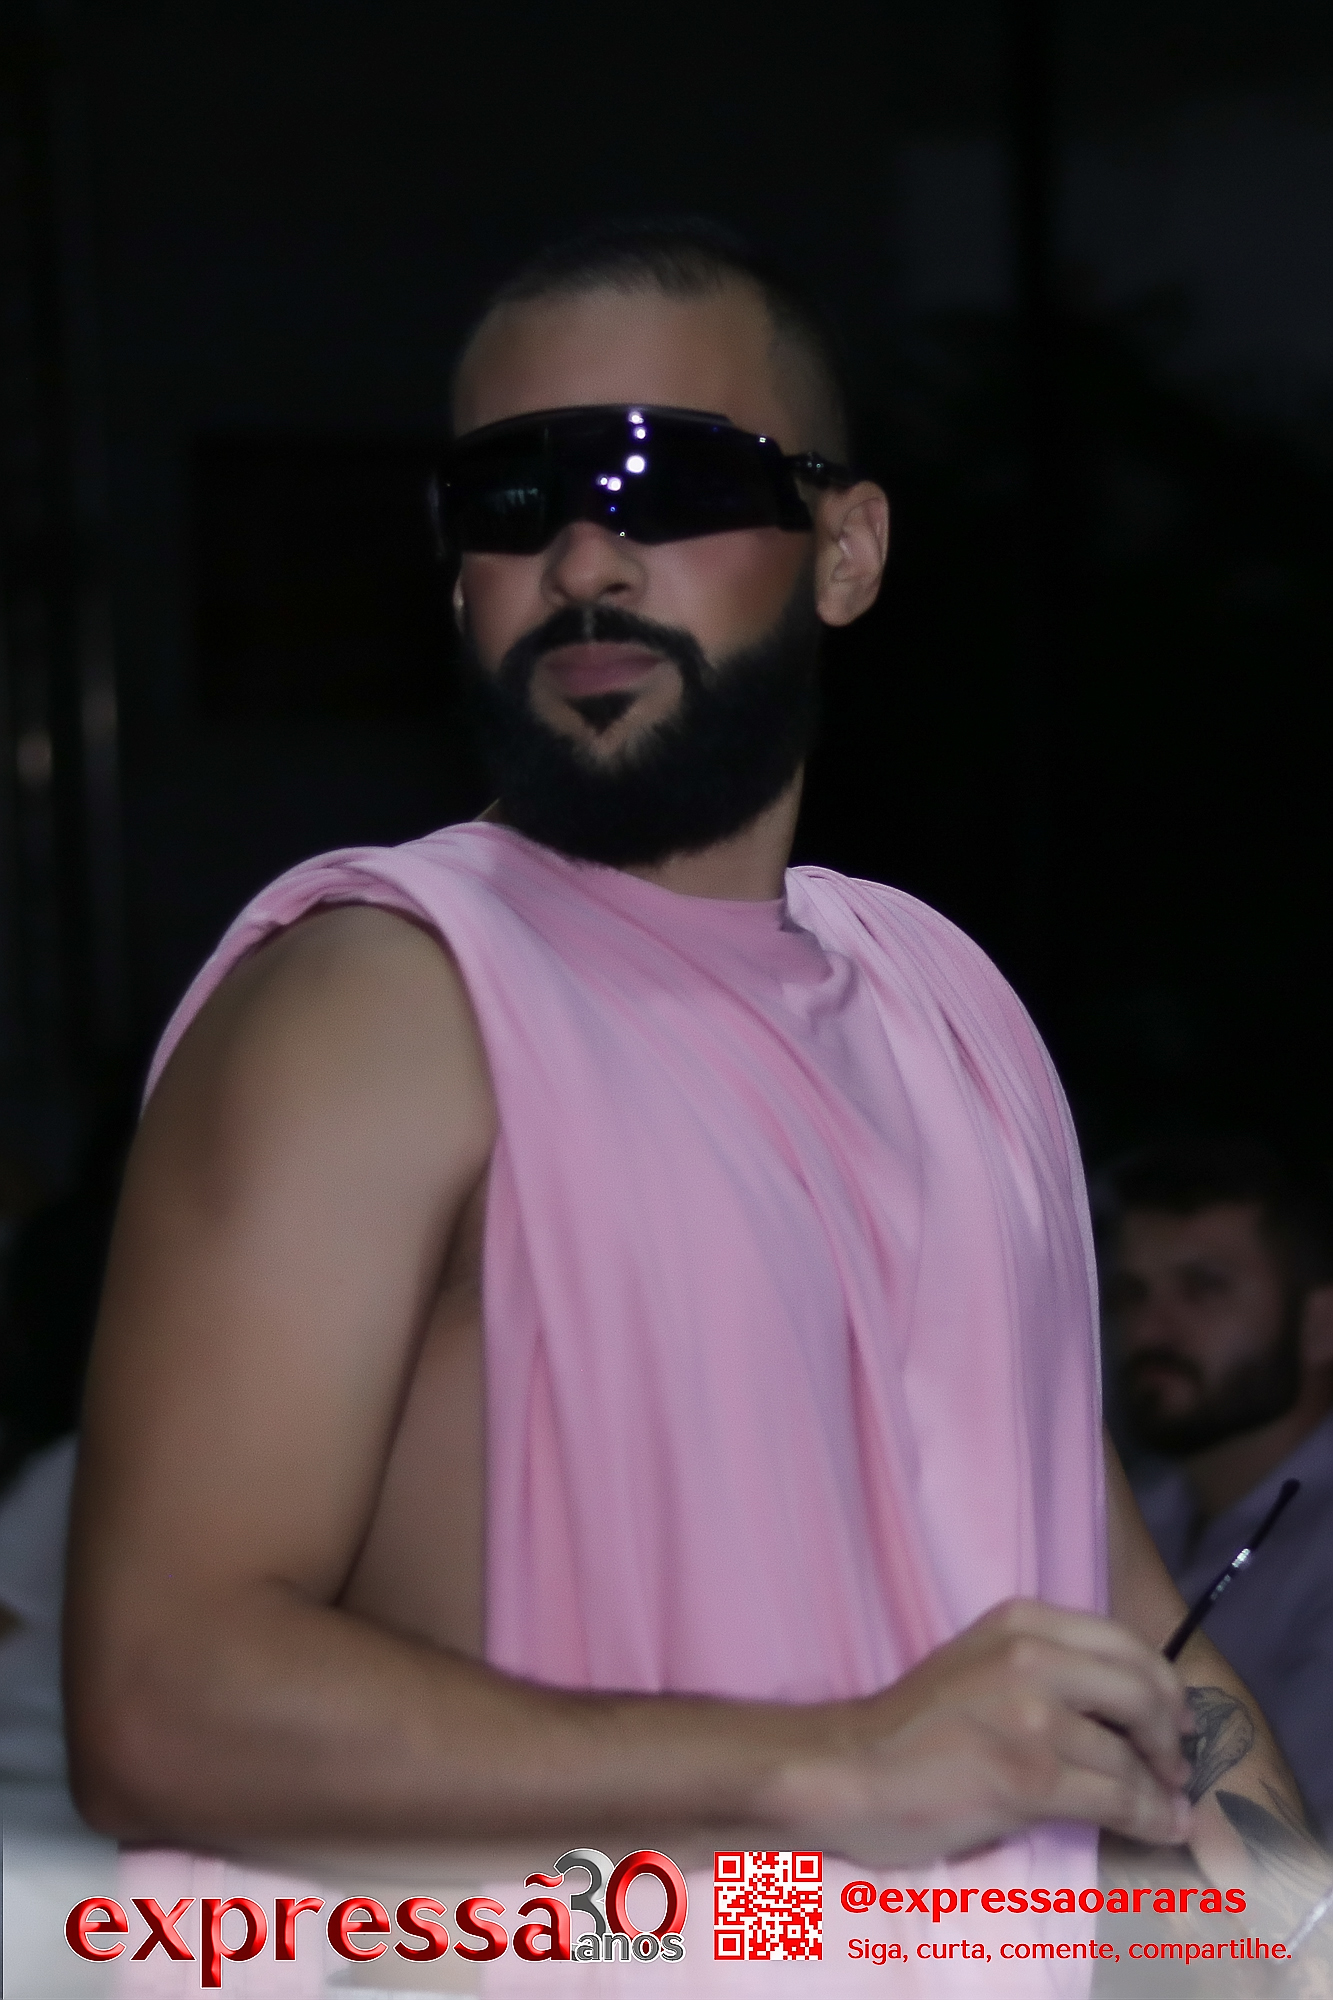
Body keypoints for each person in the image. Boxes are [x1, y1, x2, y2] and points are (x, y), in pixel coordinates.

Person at [64, 223, 1325, 1985]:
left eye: (669, 481)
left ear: (846, 550)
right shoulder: (380, 1000)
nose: (584, 555)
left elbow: (1117, 1635)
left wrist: (1289, 1938)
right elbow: (157, 1698)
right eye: (509, 502)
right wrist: (825, 1767)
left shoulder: (945, 1005)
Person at [1101, 1135, 1333, 1839]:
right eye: (1130, 1292)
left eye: (1204, 1287)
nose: (1149, 1328)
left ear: (1321, 1325)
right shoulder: (1131, 1508)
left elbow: (1295, 1864)